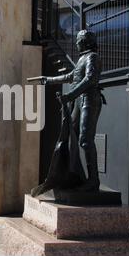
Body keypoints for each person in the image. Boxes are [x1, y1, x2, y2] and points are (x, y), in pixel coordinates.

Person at [40, 30, 103, 192]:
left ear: (86, 42)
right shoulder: (83, 58)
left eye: (79, 40)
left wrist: (70, 95)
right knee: (70, 136)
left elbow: (91, 79)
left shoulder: (92, 57)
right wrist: (49, 80)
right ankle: (72, 175)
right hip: (80, 101)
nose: (76, 43)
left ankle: (93, 181)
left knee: (85, 140)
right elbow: (71, 76)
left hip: (89, 100)